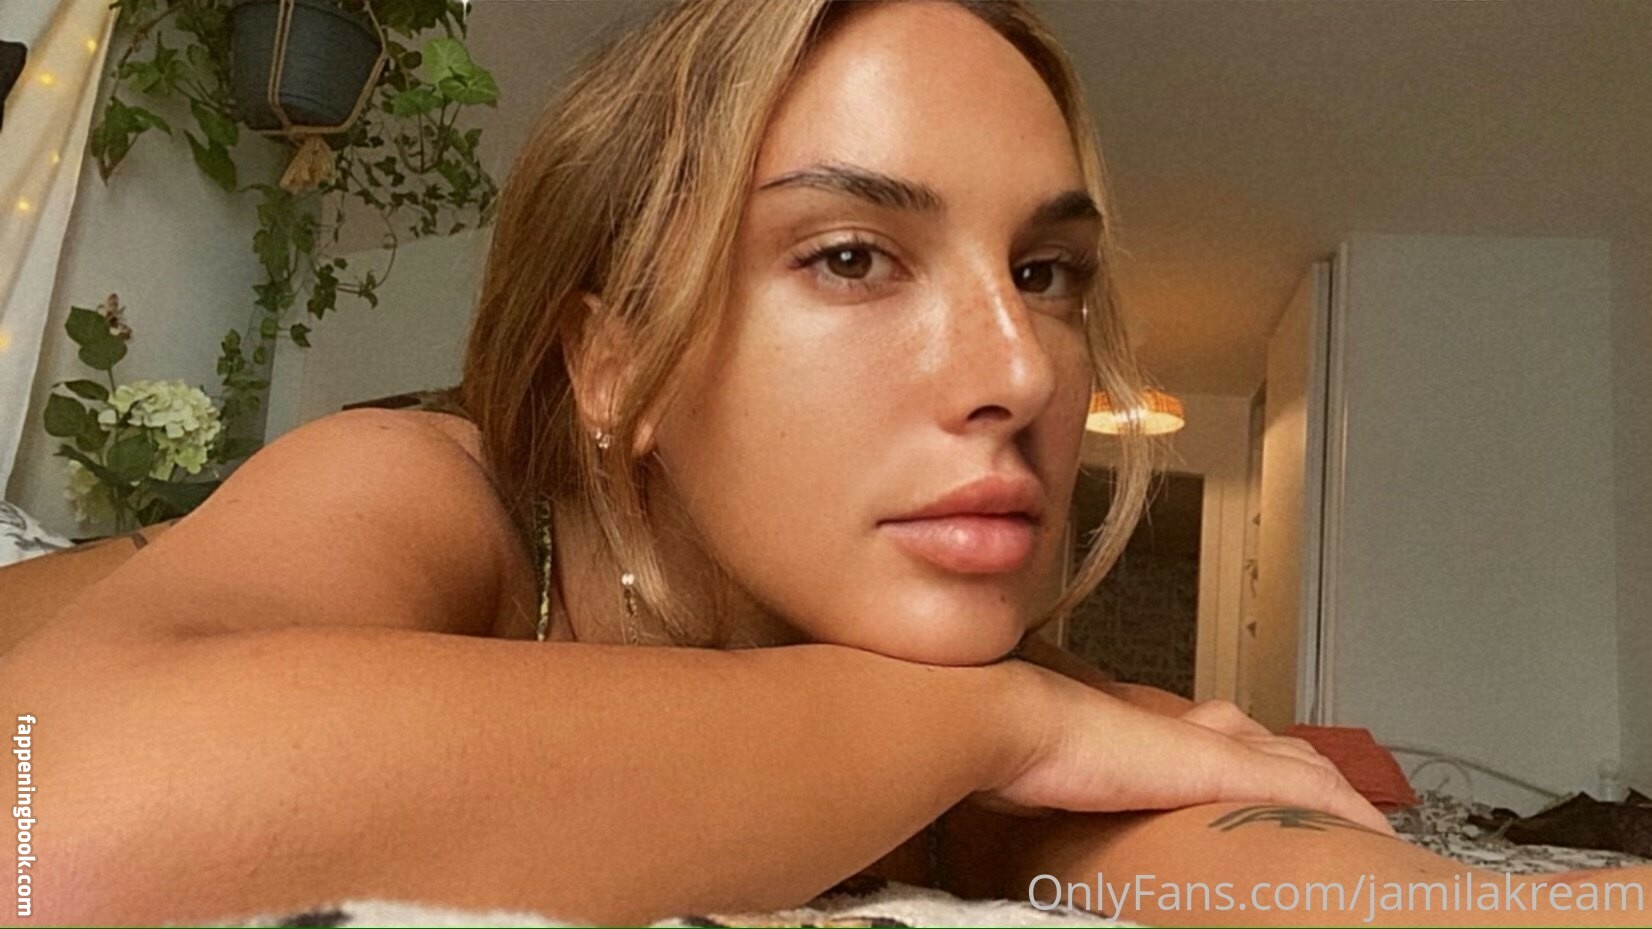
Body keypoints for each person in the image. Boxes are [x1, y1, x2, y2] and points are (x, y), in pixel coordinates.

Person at [2, 1, 1644, 926]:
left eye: (1048, 273)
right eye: (853, 256)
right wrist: (999, 720)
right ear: (615, 365)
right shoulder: (426, 491)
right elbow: (51, 818)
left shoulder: (937, 680)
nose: (1023, 370)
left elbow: (1275, 870)